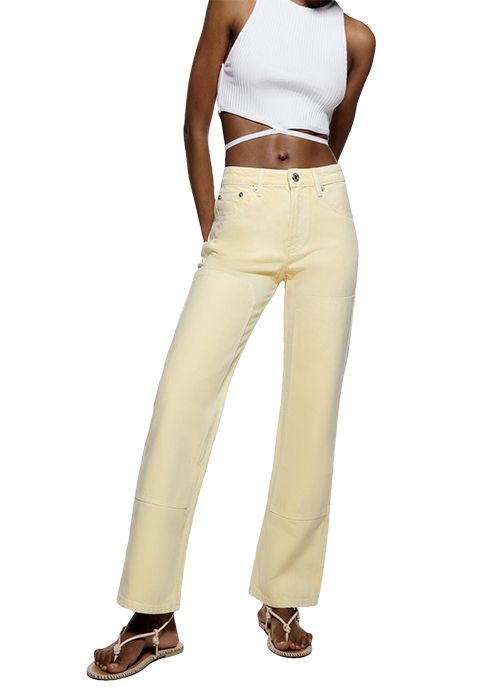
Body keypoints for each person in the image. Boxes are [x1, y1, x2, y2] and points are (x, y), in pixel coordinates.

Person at [87, 0, 375, 679]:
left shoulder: (358, 39)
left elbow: (334, 138)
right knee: (181, 401)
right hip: (243, 215)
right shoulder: (236, 4)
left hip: (326, 220)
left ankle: (284, 598)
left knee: (312, 413)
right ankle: (152, 616)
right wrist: (216, 226)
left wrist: (300, 198)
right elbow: (195, 122)